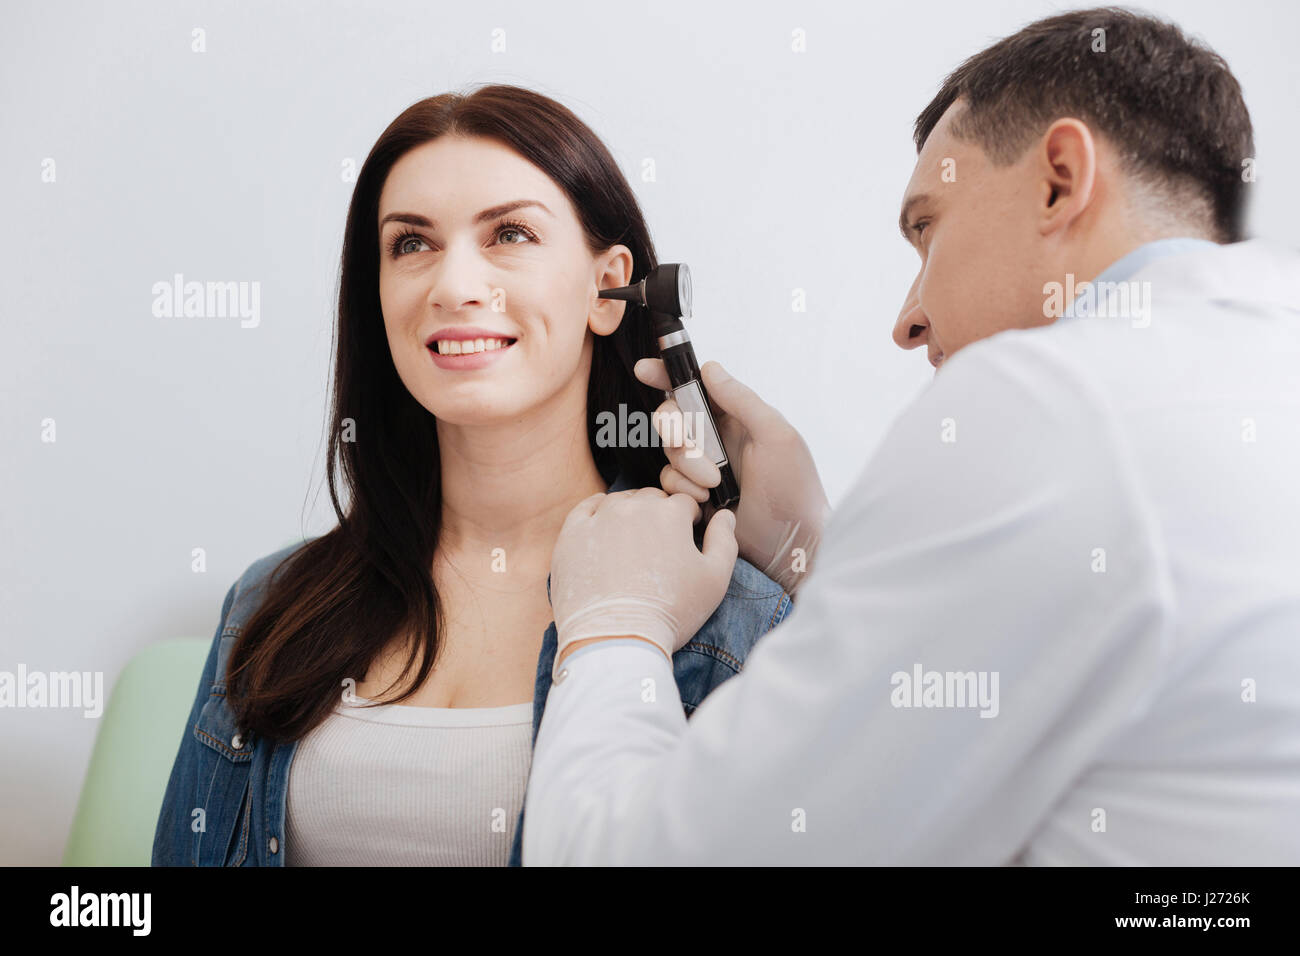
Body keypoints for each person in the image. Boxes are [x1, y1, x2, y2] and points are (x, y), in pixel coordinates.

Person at [523, 7, 1300, 864]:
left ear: (1059, 180)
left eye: (928, 227)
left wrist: (611, 629)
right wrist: (808, 554)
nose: (908, 318)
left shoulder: (1046, 407)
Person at [151, 85, 793, 868]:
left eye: (510, 233)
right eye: (410, 244)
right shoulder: (270, 602)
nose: (452, 286)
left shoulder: (733, 617)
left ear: (608, 288)